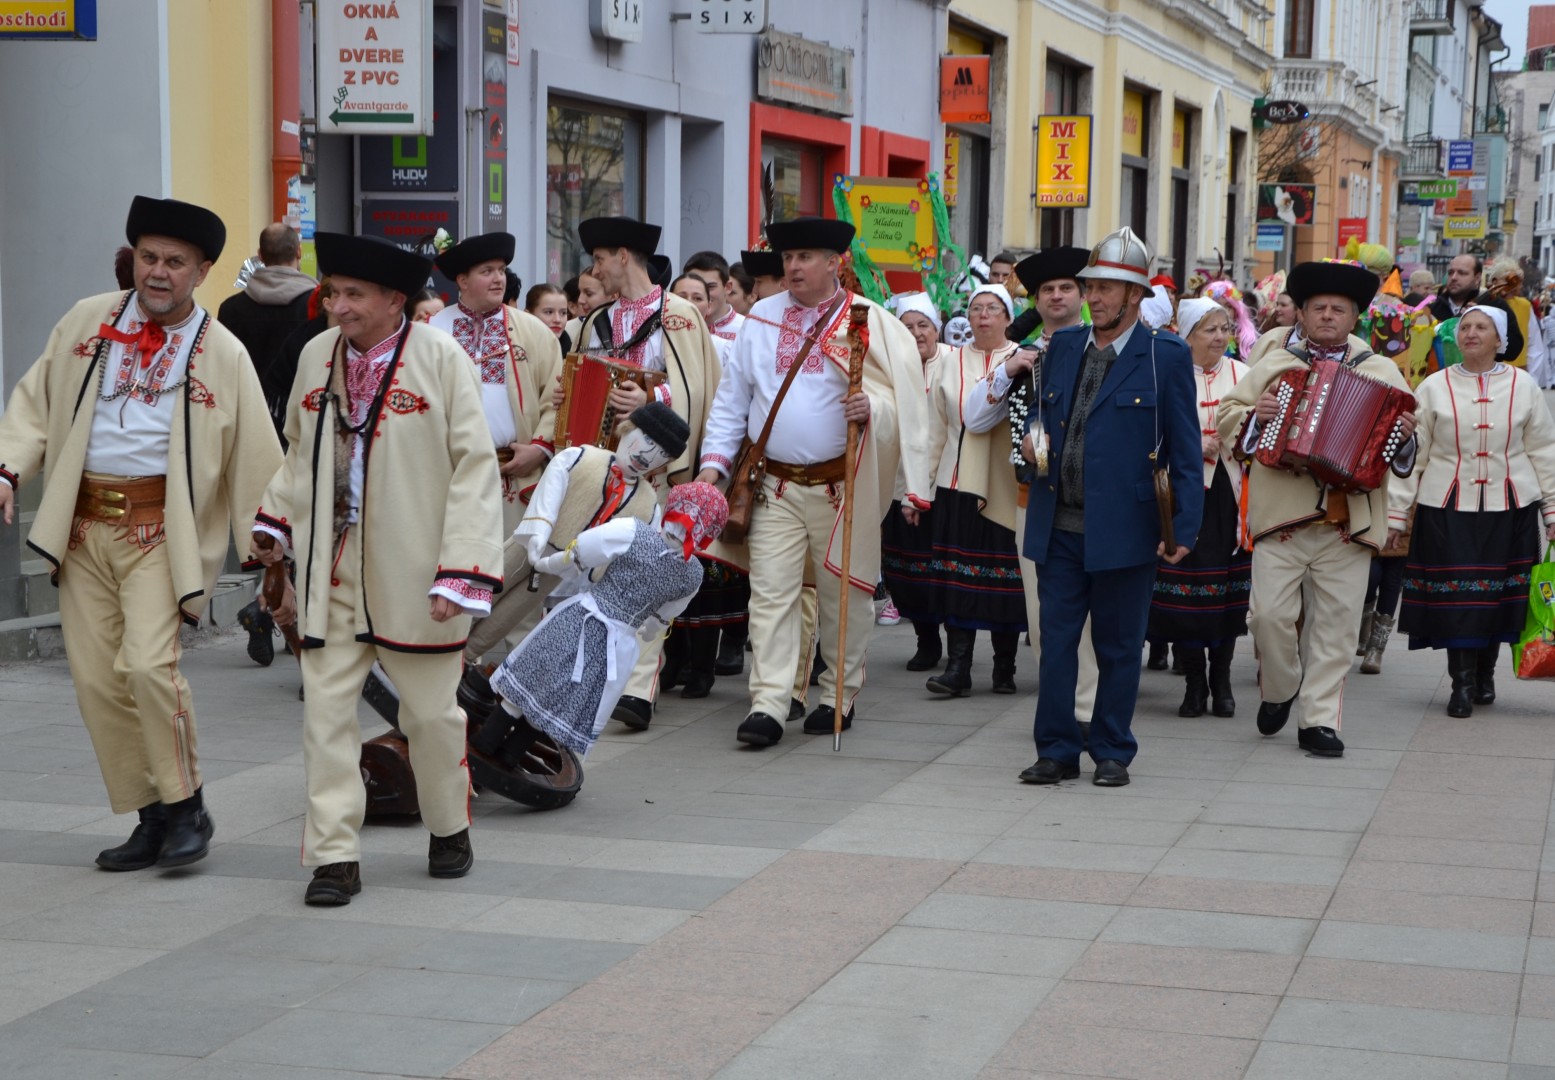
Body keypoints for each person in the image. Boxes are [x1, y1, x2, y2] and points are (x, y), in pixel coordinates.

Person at [0, 195, 282, 870]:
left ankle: (188, 808)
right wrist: (8, 470)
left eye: (175, 262)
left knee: (149, 668)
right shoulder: (86, 320)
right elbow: (35, 404)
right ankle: (149, 816)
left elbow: (255, 456)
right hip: (82, 530)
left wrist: (272, 551)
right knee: (99, 682)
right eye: (149, 257)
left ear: (203, 271)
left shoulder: (224, 353)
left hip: (160, 533)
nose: (158, 272)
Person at [252, 232, 503, 905]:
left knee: (431, 717)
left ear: (395, 300)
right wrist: (275, 517)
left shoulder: (441, 358)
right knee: (325, 717)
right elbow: (298, 449)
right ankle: (334, 856)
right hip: (331, 569)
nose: (337, 306)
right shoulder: (315, 356)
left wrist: (462, 570)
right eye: (333, 292)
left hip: (416, 570)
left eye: (353, 295)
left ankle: (448, 825)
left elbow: (475, 467)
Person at [697, 217, 934, 746]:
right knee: (771, 595)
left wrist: (871, 408)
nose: (793, 266)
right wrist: (713, 468)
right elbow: (733, 401)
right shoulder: (761, 316)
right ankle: (769, 703)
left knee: (844, 595)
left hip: (842, 486)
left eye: (805, 257)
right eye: (788, 258)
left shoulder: (868, 321)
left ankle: (837, 694)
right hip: (774, 486)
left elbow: (905, 401)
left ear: (834, 263)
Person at [1017, 227, 1201, 788]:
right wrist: (1033, 443)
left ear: (1135, 296)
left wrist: (1183, 528)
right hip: (1058, 525)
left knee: (1119, 646)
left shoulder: (1165, 356)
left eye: (1105, 288)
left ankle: (1112, 749)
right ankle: (1056, 750)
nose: (1092, 298)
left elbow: (1185, 449)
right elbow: (1041, 416)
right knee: (1055, 645)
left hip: (1127, 528)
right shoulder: (1062, 345)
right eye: (1090, 286)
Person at [1217, 261, 1417, 759]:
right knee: (1267, 618)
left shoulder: (1380, 370)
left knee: (1337, 627)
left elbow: (1409, 447)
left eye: (1338, 309)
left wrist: (1404, 438)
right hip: (1281, 518)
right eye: (1319, 308)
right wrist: (1256, 417)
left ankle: (1319, 720)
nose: (1328, 316)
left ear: (1355, 317)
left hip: (1348, 522)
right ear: (1301, 315)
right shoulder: (1276, 362)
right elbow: (1228, 415)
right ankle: (1281, 686)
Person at [570, 215, 723, 730]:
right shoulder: (595, 322)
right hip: (601, 464)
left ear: (622, 257)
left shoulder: (679, 314)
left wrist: (651, 398)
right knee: (598, 571)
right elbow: (578, 377)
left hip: (658, 468)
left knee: (648, 568)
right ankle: (600, 679)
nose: (595, 271)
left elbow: (701, 387)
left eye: (599, 260)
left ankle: (639, 689)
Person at [472, 483, 727, 768]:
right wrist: (650, 628)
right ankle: (509, 757)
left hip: (581, 619)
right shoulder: (692, 575)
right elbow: (662, 617)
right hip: (619, 644)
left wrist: (548, 564)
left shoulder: (633, 531)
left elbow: (583, 549)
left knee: (538, 675)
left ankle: (487, 743)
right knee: (563, 695)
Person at [1388, 299, 1555, 716]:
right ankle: (1460, 684)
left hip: (1511, 508)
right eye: (1465, 327)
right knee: (1459, 600)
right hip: (1447, 508)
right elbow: (1414, 455)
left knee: (1500, 597)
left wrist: (1552, 511)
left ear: (1500, 339)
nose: (1471, 334)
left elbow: (1543, 450)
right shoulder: (1434, 386)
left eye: (1481, 328)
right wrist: (1396, 513)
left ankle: (1485, 675)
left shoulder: (1523, 385)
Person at [460, 403, 684, 701]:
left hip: (560, 572)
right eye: (647, 440)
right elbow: (550, 491)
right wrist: (538, 532)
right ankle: (438, 644)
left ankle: (461, 660)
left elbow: (635, 555)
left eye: (662, 453)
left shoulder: (648, 505)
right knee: (480, 592)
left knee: (506, 619)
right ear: (628, 430)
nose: (649, 454)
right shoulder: (580, 457)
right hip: (529, 547)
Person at [998, 248, 1102, 717]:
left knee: (1090, 618)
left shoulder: (1102, 350)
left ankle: (1085, 709)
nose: (1057, 296)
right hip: (1035, 495)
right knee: (1042, 614)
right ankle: (1060, 704)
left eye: (1066, 288)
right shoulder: (1022, 356)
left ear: (1082, 295)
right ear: (1036, 301)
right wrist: (1007, 372)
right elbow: (982, 415)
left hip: (1093, 501)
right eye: (1047, 290)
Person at [919, 283, 1028, 695]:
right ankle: (958, 668)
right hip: (955, 481)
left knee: (1005, 578)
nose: (983, 315)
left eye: (992, 308)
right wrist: (923, 486)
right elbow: (935, 429)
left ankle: (1004, 667)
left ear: (1008, 317)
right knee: (956, 579)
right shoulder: (949, 362)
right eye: (976, 308)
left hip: (1004, 483)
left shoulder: (1024, 359)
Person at [1144, 298, 1250, 717]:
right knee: (1184, 596)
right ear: (1186, 336)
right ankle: (1194, 682)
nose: (1220, 337)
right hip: (1183, 496)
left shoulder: (1243, 375)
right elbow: (1152, 435)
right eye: (1210, 329)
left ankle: (1221, 680)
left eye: (1225, 328)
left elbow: (1260, 431)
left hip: (1229, 494)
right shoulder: (1168, 375)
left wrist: (1236, 439)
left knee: (1227, 593)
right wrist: (1191, 443)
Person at [428, 232, 562, 553]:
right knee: (455, 561)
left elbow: (558, 397)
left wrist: (539, 448)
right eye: (487, 271)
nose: (499, 278)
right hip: (449, 474)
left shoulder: (533, 331)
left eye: (501, 270)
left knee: (512, 567)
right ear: (462, 280)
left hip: (514, 474)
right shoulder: (433, 330)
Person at [881, 293, 951, 670]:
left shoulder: (952, 363)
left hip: (944, 485)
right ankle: (926, 639)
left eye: (923, 325)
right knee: (906, 569)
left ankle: (958, 646)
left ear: (936, 329)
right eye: (907, 327)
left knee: (945, 568)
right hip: (898, 483)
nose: (916, 333)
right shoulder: (889, 368)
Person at [216, 223, 316, 380]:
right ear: (299, 252)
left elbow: (223, 367)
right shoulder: (316, 305)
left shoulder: (229, 309)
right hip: (300, 395)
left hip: (247, 394)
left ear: (260, 255)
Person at [684, 250, 746, 344]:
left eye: (710, 287)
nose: (703, 293)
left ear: (728, 287)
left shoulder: (746, 328)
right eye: (695, 287)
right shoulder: (676, 326)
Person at [1428, 254, 1482, 323]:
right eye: (1450, 273)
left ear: (1477, 278)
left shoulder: (1489, 308)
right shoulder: (1430, 310)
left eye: (1462, 273)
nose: (1453, 278)